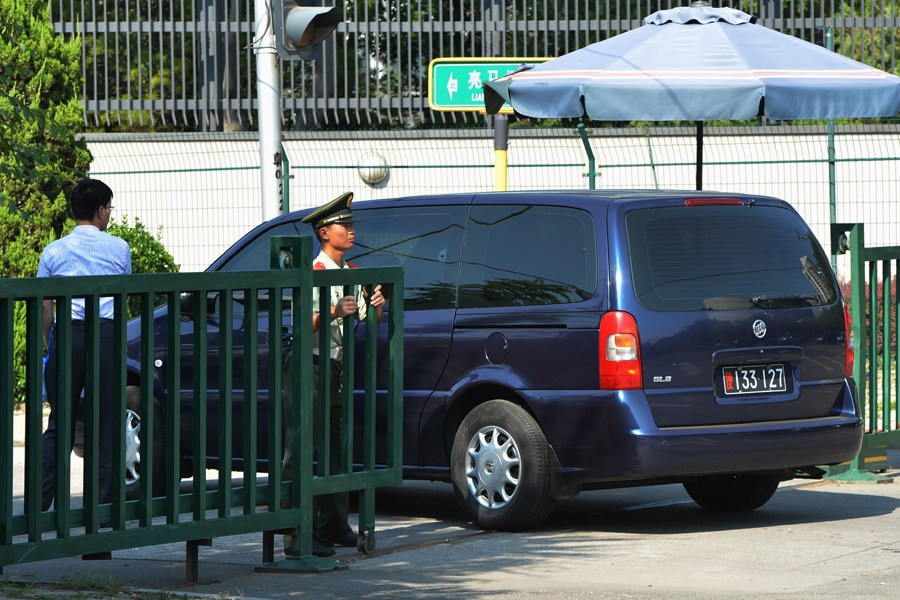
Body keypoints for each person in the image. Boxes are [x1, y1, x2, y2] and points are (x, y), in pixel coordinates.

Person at [282, 191, 384, 558]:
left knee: (337, 448)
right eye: (344, 225)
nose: (351, 230)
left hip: (335, 365)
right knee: (301, 448)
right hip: (309, 363)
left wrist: (377, 307)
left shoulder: (351, 273)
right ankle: (297, 535)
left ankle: (334, 524)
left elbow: (369, 320)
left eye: (351, 224)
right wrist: (333, 312)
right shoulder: (314, 272)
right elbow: (300, 323)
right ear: (324, 232)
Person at [37, 178, 132, 511]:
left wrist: (51, 342)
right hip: (106, 336)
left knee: (59, 422)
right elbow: (123, 294)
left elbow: (45, 306)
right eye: (110, 208)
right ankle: (101, 512)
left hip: (69, 335)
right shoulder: (119, 248)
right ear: (101, 210)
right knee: (106, 423)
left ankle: (38, 507)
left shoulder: (53, 251)